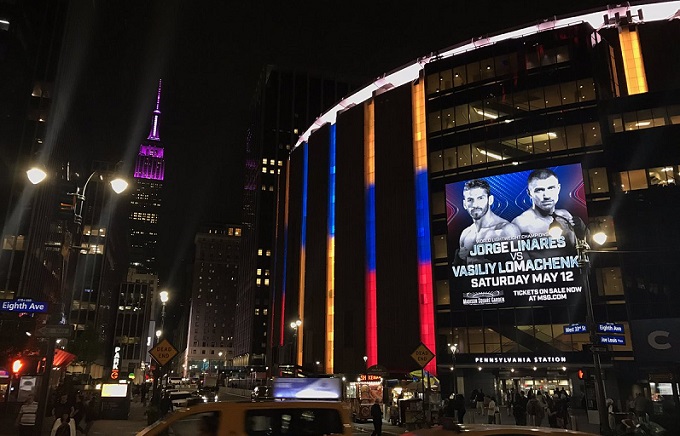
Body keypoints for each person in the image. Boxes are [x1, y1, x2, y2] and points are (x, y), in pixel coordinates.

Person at [512, 168, 586, 251]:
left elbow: (583, 249)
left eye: (551, 188)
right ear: (529, 193)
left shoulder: (565, 215)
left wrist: (583, 230)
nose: (547, 196)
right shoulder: (521, 223)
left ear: (558, 189)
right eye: (539, 190)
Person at [456, 179, 520, 264]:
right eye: (470, 200)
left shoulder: (507, 230)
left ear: (490, 200)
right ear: (464, 204)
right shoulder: (465, 234)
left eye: (480, 198)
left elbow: (524, 266)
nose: (475, 205)